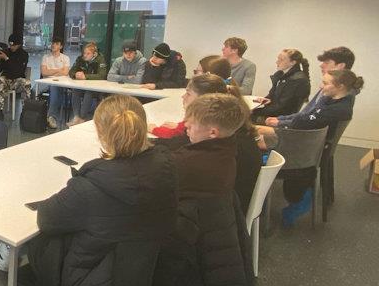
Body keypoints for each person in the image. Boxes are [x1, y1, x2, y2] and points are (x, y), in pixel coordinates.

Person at [15, 95, 176, 286]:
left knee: (40, 238)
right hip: (140, 271)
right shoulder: (167, 167)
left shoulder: (91, 187)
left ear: (100, 134)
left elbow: (47, 218)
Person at [152, 93, 254, 286]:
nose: (186, 124)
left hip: (178, 255)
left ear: (212, 132)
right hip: (204, 250)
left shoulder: (185, 165)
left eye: (192, 121)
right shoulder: (227, 150)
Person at [256, 69, 363, 227]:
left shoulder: (336, 109)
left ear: (340, 86)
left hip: (303, 151)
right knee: (256, 132)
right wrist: (282, 120)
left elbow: (302, 122)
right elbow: (304, 117)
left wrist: (280, 123)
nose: (321, 86)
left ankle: (259, 204)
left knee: (253, 142)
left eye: (326, 83)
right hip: (303, 142)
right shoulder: (334, 99)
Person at [151, 74, 262, 214]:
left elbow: (169, 162)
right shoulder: (232, 134)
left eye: (188, 93)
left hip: (214, 217)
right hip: (228, 214)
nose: (183, 97)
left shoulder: (202, 154)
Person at [251, 49, 311, 124]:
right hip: (275, 114)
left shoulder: (296, 80)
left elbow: (282, 108)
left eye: (281, 60)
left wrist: (255, 111)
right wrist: (264, 100)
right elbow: (272, 96)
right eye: (278, 59)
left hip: (280, 119)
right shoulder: (282, 75)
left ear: (292, 62)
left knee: (242, 118)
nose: (277, 62)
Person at [66, 41, 108, 126]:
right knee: (75, 90)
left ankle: (82, 118)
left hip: (96, 89)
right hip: (82, 86)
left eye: (88, 53)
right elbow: (71, 71)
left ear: (94, 54)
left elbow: (102, 75)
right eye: (84, 53)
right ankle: (76, 116)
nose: (85, 55)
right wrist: (75, 74)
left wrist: (86, 76)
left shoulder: (100, 59)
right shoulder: (80, 59)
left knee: (88, 93)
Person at [0, 33, 30, 120]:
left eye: (14, 45)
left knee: (26, 83)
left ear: (19, 45)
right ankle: (0, 111)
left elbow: (18, 71)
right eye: (10, 45)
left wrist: (7, 59)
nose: (12, 47)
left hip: (17, 80)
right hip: (6, 79)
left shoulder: (23, 54)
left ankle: (25, 110)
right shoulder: (6, 52)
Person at [40, 37, 71, 129]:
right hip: (46, 82)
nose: (53, 45)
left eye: (57, 44)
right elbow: (44, 72)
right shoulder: (46, 57)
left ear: (61, 46)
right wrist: (58, 70)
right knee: (35, 90)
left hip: (60, 83)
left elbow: (65, 73)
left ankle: (51, 117)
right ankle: (46, 116)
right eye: (53, 43)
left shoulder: (65, 58)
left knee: (56, 88)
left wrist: (50, 71)